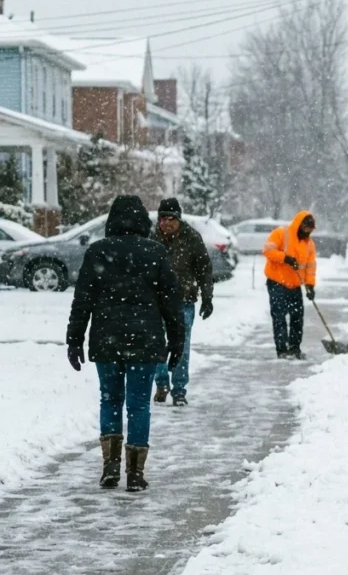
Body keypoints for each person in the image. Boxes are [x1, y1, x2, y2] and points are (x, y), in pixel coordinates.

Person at [67, 195, 184, 492]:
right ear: (144, 221)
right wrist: (177, 339)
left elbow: (83, 300)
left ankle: (110, 467)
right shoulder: (155, 252)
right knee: (138, 404)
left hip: (106, 338)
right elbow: (171, 301)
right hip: (145, 340)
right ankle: (135, 473)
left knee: (110, 399)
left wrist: (74, 339)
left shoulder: (98, 252)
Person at [151, 198, 214, 406]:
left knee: (182, 346)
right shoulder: (152, 238)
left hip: (183, 301)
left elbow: (204, 270)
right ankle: (161, 383)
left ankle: (179, 389)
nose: (167, 223)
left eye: (171, 219)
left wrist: (207, 298)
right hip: (157, 302)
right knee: (157, 344)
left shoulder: (191, 238)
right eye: (163, 219)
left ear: (179, 219)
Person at [263, 211, 317, 359]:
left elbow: (310, 267)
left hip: (294, 285)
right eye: (306, 229)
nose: (308, 233)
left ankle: (294, 348)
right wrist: (285, 258)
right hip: (277, 282)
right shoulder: (281, 233)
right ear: (300, 225)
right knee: (279, 316)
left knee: (297, 316)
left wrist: (310, 286)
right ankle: (281, 350)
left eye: (310, 230)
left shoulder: (309, 244)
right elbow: (267, 251)